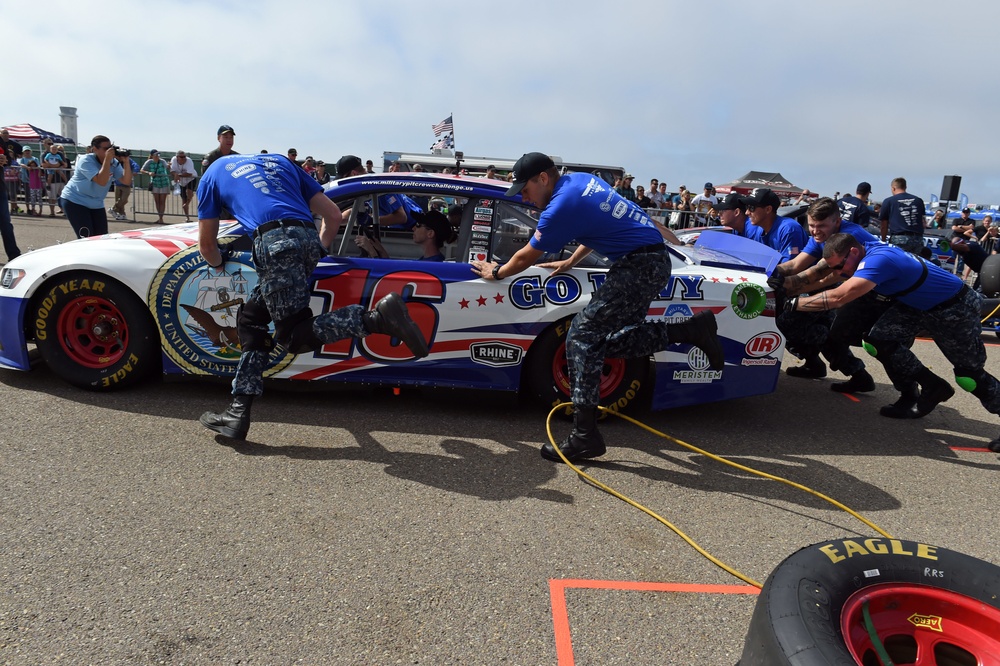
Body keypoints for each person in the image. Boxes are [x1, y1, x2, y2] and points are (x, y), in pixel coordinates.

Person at [469, 152, 724, 463]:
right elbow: (595, 226)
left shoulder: (560, 205)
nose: (524, 196)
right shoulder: (581, 182)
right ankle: (691, 329)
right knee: (604, 343)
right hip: (648, 260)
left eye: (525, 189)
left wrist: (495, 272)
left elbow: (525, 256)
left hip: (639, 265)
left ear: (543, 179)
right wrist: (571, 261)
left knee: (581, 336)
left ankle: (584, 436)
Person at [196, 153, 429, 440]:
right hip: (306, 237)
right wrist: (314, 250)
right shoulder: (280, 162)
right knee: (251, 319)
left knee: (291, 337)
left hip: (273, 243)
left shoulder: (211, 175)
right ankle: (237, 411)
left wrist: (219, 264)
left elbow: (207, 246)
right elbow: (332, 215)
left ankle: (376, 319)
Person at [789, 233, 1000, 448]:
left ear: (853, 252)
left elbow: (838, 297)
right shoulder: (864, 247)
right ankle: (932, 386)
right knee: (879, 341)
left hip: (954, 306)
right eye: (834, 267)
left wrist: (793, 303)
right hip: (918, 304)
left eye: (840, 266)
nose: (839, 272)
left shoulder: (878, 260)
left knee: (970, 376)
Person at [769, 197, 881, 390]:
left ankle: (850, 370)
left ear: (837, 221)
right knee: (794, 321)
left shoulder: (849, 237)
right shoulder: (821, 236)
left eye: (820, 225)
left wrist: (786, 288)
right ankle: (823, 365)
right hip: (842, 288)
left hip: (866, 294)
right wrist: (768, 271)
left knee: (793, 323)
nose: (814, 231)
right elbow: (796, 265)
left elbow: (828, 278)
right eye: (811, 225)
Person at [60, 135, 132, 238]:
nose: (110, 151)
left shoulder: (114, 162)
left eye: (111, 147)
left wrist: (126, 162)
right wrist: (107, 160)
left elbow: (126, 181)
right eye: (106, 148)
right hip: (75, 201)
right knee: (86, 237)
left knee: (101, 238)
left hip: (96, 202)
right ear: (95, 149)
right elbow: (101, 181)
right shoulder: (86, 161)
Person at [744, 187, 807, 263]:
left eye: (751, 208)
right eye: (746, 207)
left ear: (768, 209)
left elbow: (790, 267)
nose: (747, 212)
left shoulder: (789, 229)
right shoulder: (760, 230)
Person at [878, 177, 925, 254]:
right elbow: (923, 222)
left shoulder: (889, 201)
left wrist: (883, 240)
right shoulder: (918, 200)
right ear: (905, 187)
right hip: (917, 238)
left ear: (893, 188)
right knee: (915, 264)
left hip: (899, 238)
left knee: (898, 263)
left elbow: (884, 225)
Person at [141, 150, 171, 224]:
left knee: (162, 201)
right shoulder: (149, 162)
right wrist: (149, 173)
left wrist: (169, 165)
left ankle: (161, 218)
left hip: (164, 182)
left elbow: (166, 166)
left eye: (158, 154)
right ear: (151, 155)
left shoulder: (162, 161)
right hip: (155, 183)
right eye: (156, 154)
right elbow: (142, 170)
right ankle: (160, 217)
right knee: (157, 201)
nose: (157, 156)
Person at [0, 154, 21, 262]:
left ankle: (14, 255)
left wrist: (4, 159)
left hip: (1, 190)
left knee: (6, 224)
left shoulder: (2, 142)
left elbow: (7, 160)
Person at [169, 150, 198, 222]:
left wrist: (178, 175)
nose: (183, 158)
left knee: (189, 192)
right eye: (181, 157)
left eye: (184, 156)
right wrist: (175, 174)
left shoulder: (189, 161)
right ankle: (187, 217)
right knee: (183, 198)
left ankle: (187, 203)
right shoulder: (173, 160)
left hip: (191, 179)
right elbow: (172, 170)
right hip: (181, 182)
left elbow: (189, 173)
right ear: (177, 157)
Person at [111, 152, 140, 221]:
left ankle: (113, 209)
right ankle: (122, 214)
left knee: (124, 199)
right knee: (118, 200)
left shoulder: (128, 160)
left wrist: (135, 171)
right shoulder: (114, 161)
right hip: (117, 183)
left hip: (126, 185)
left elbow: (136, 165)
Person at [18, 148, 44, 216]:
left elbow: (39, 167)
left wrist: (38, 168)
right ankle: (30, 209)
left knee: (38, 197)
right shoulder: (23, 159)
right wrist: (27, 167)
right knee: (29, 196)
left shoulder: (35, 159)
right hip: (28, 181)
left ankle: (39, 210)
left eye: (28, 151)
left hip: (38, 185)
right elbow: (20, 164)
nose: (27, 152)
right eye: (25, 151)